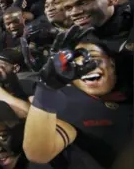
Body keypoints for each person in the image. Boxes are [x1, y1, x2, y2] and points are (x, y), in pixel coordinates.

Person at [23, 27, 133, 168]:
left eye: (93, 58)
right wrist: (47, 87)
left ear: (112, 63)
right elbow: (38, 153)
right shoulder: (67, 103)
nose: (85, 67)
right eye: (74, 64)